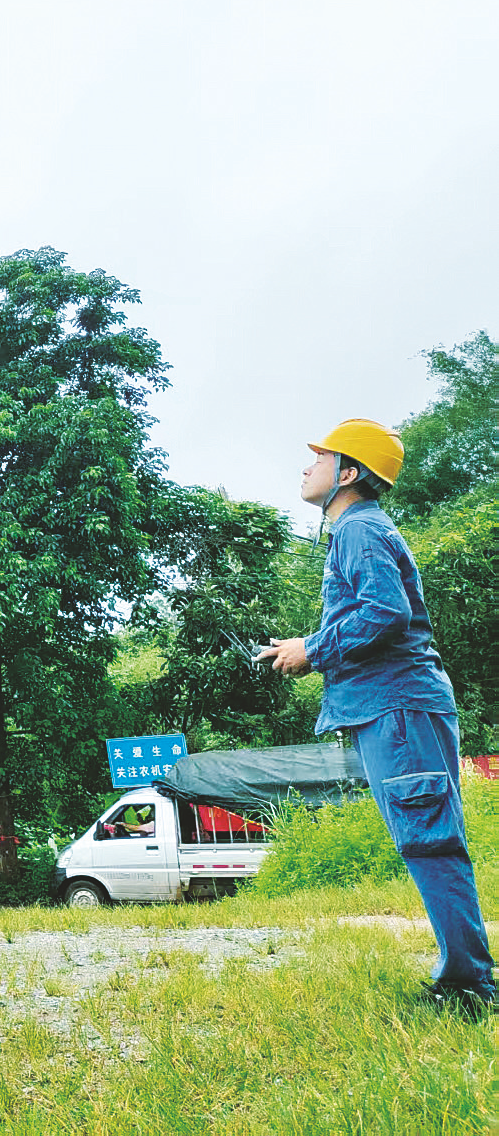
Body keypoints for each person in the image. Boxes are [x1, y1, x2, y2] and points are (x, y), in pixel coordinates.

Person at [259, 419, 494, 1014]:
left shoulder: (359, 529)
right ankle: (466, 976)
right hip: (392, 707)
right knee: (426, 838)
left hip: (400, 707)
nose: (307, 467)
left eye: (320, 458)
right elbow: (370, 614)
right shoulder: (355, 531)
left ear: (349, 473)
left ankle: (470, 986)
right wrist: (306, 647)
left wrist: (313, 649)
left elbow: (386, 613)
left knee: (430, 840)